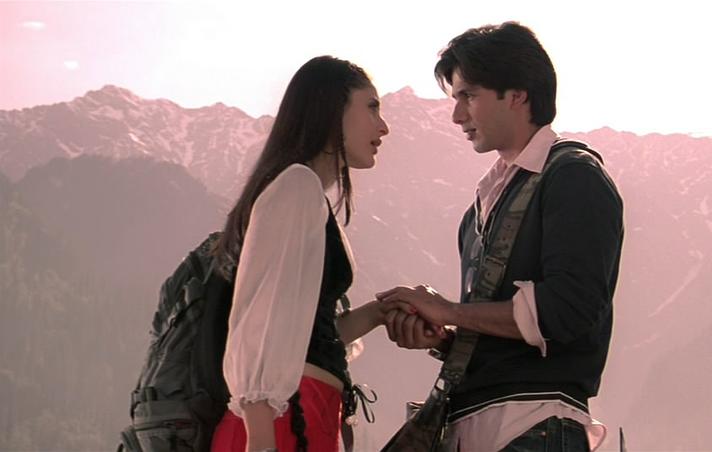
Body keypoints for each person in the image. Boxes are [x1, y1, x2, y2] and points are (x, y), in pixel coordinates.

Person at [377, 22, 624, 452]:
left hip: (534, 421)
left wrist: (450, 311)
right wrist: (445, 336)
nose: (457, 116)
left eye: (469, 96)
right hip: (478, 424)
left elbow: (567, 310)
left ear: (517, 94)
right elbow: (511, 335)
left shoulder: (574, 177)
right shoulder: (478, 209)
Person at [209, 55, 390, 452]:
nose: (383, 126)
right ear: (332, 109)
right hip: (280, 426)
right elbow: (259, 322)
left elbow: (305, 334)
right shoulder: (297, 186)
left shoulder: (302, 191)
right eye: (372, 107)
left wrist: (380, 313)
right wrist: (261, 441)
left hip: (301, 420)